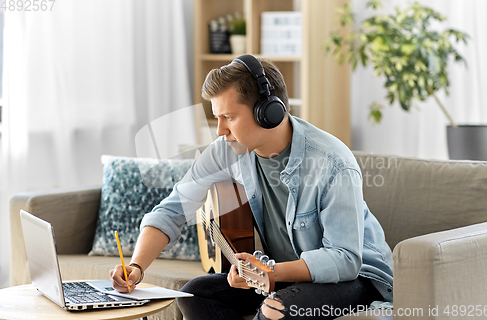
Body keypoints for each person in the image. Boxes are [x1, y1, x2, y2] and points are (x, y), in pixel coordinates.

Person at [110, 55, 393, 319]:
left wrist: (271, 272)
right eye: (217, 118)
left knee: (275, 308)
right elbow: (174, 208)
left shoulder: (332, 162)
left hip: (357, 279)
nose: (220, 130)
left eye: (229, 117)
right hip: (282, 274)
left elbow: (345, 259)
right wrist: (136, 267)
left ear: (267, 113)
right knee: (195, 293)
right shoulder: (228, 149)